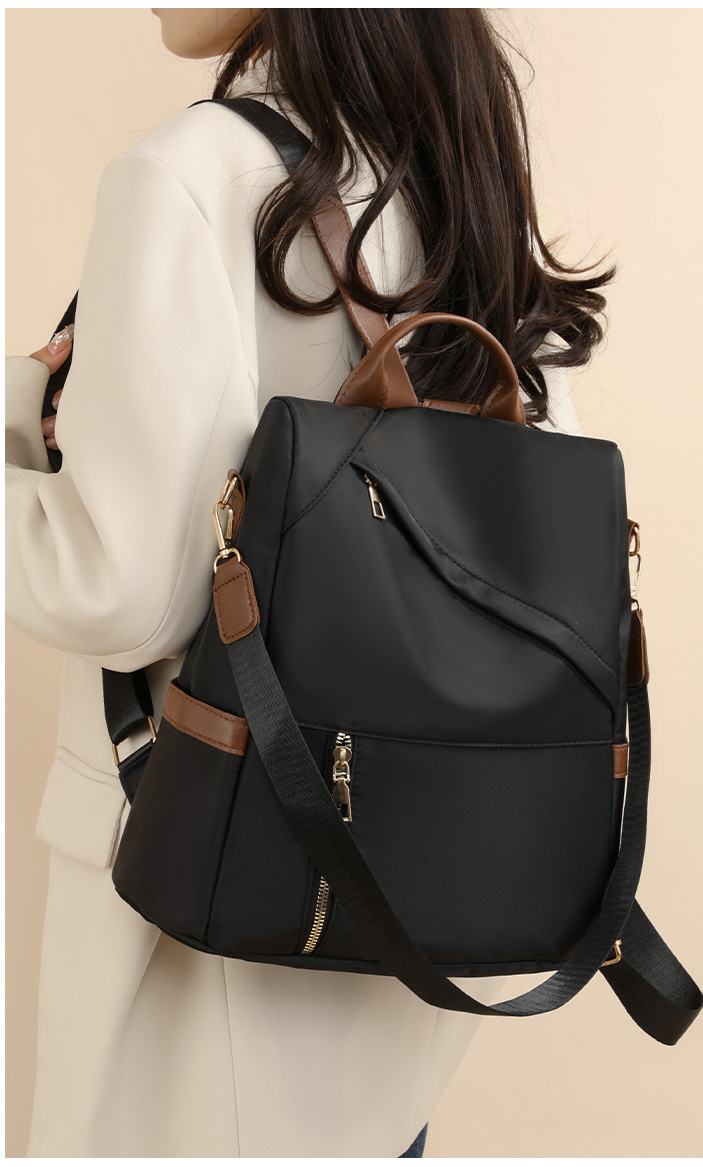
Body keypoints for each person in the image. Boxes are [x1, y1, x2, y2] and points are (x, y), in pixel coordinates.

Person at [6, 9, 616, 1158]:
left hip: (215, 955)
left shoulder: (192, 175)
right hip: (419, 940)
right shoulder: (466, 172)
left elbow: (124, 594)